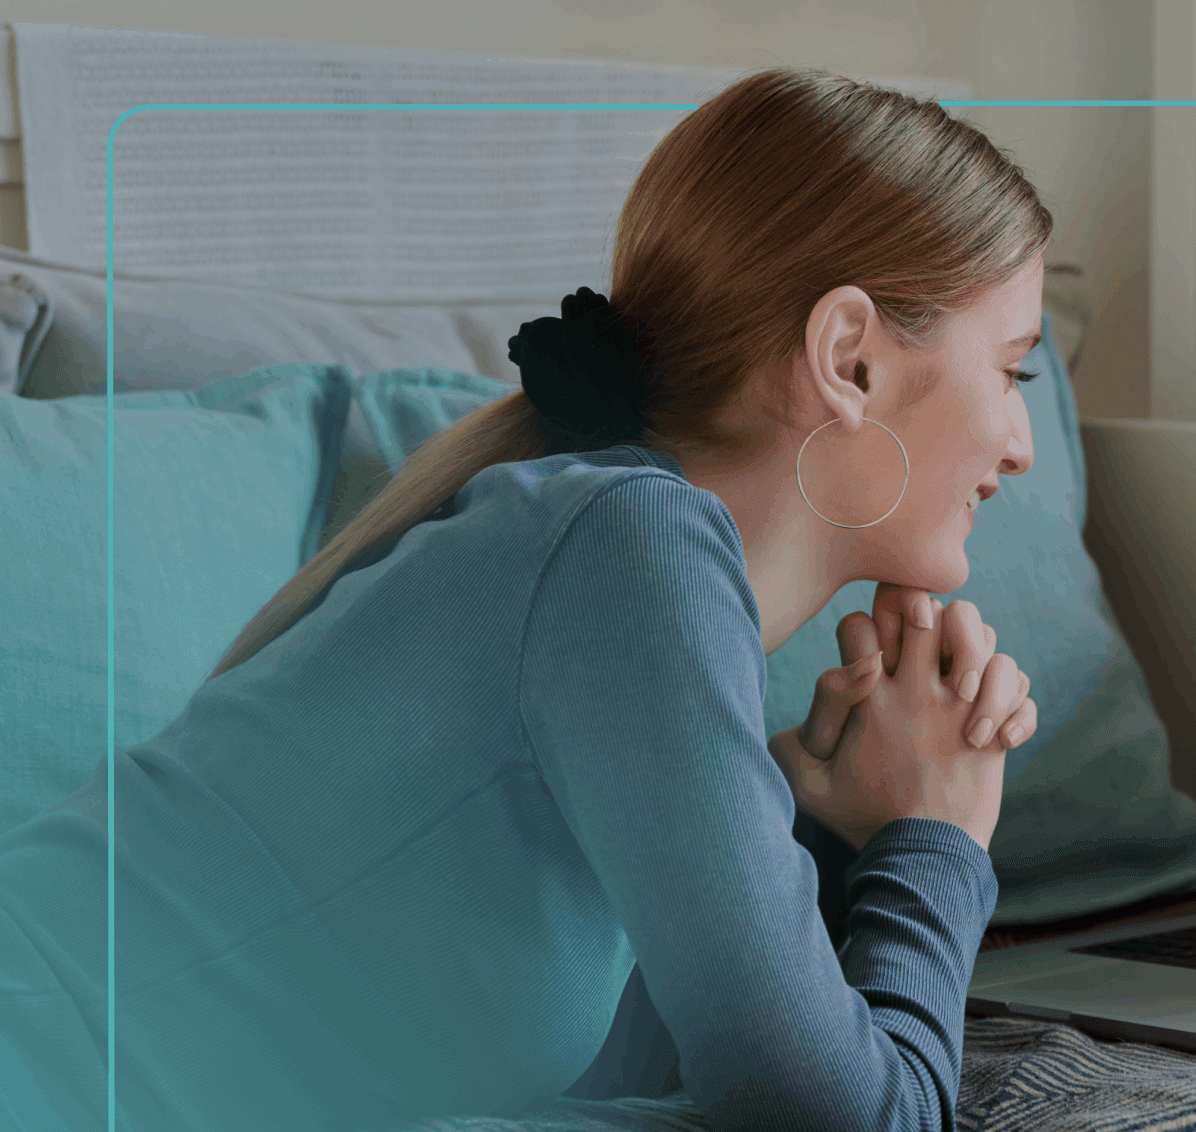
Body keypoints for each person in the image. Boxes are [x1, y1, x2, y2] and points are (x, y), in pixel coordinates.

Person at [0, 69, 1052, 1132]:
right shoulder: (631, 545)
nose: (1021, 445)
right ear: (850, 361)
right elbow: (856, 1123)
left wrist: (820, 825)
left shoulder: (606, 560)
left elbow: (628, 1074)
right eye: (1014, 369)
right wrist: (938, 839)